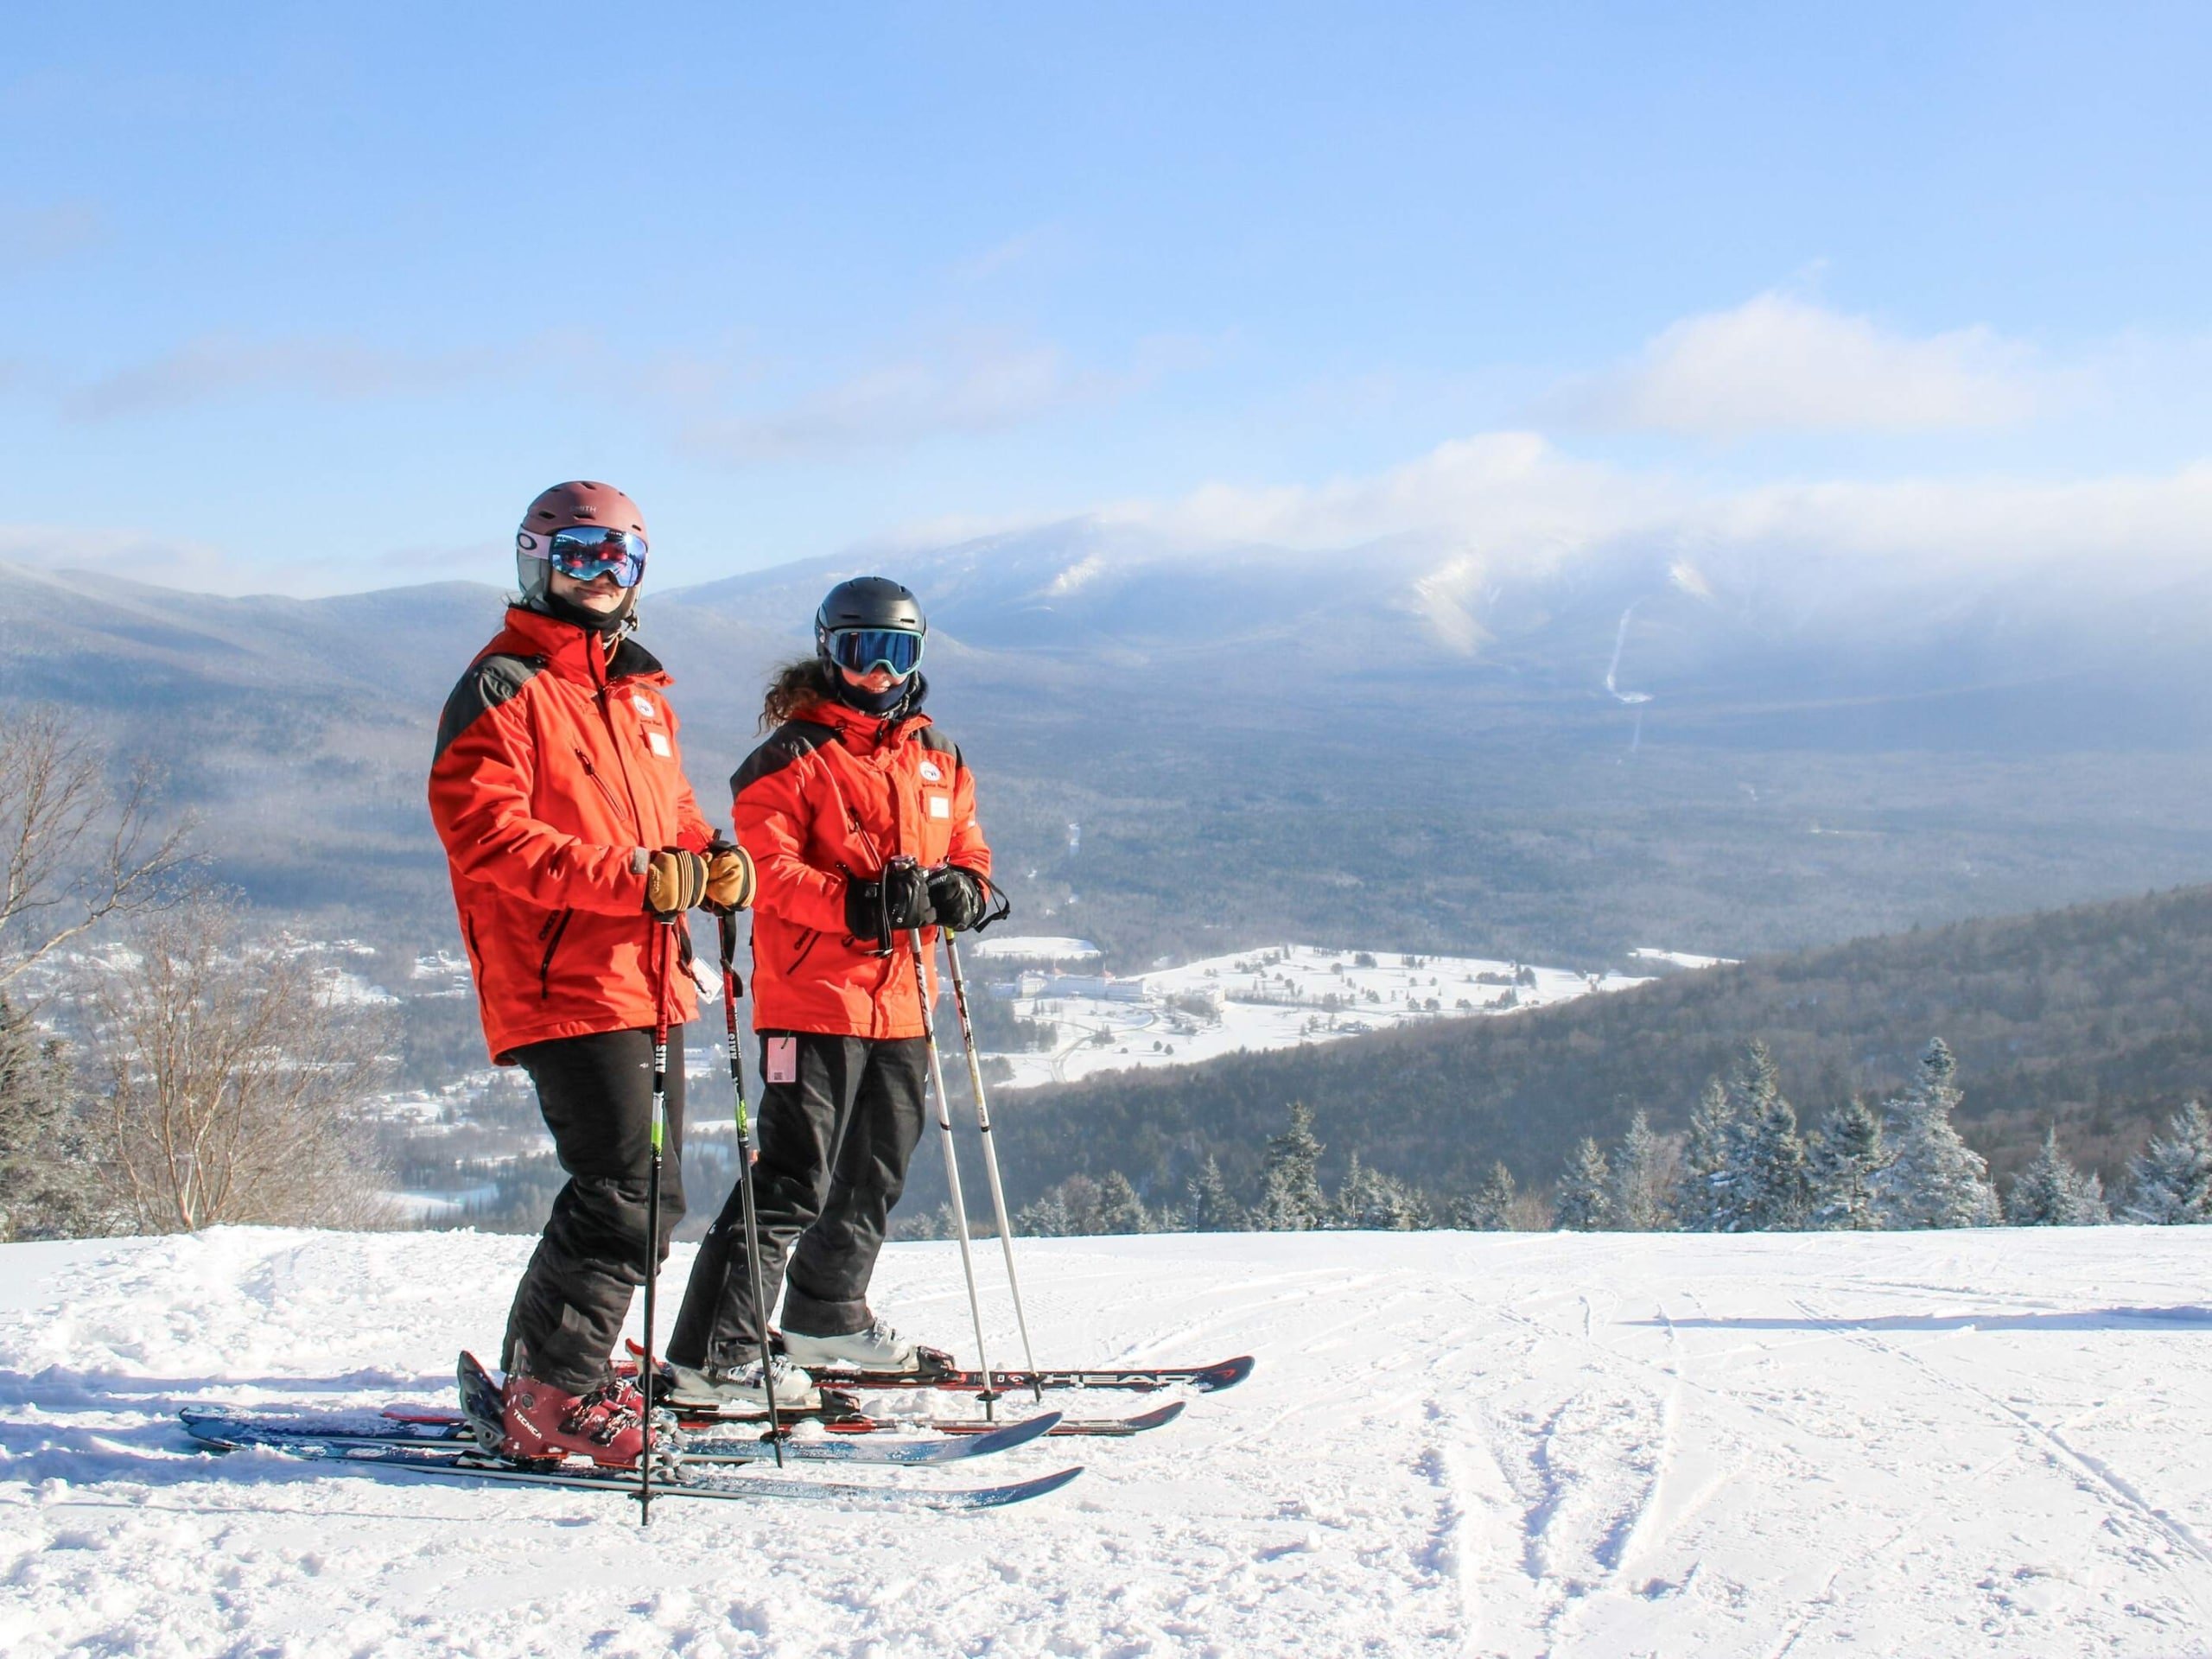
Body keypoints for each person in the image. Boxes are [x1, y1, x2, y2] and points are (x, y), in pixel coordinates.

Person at [427, 480, 753, 1465]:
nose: (605, 577)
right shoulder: (503, 687)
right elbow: (486, 835)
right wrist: (636, 880)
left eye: (624, 559)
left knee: (638, 1187)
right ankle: (555, 1396)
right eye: (582, 556)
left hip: (645, 974)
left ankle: (546, 1368)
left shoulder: (636, 692)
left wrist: (713, 858)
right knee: (628, 1190)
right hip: (560, 973)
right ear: (536, 560)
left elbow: (673, 818)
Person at [665, 576, 998, 1407]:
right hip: (812, 998)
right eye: (861, 653)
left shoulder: (939, 756)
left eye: (898, 654)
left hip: (904, 1000)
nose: (879, 673)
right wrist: (853, 901)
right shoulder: (788, 756)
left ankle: (827, 1312)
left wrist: (964, 890)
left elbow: (972, 854)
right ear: (829, 652)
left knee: (875, 1171)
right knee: (789, 1178)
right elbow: (767, 873)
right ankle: (718, 1351)